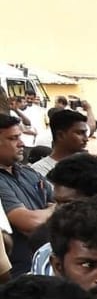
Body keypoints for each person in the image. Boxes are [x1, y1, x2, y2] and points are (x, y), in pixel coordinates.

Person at [1, 114, 54, 272]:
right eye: (13, 138)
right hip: (18, 271)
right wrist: (55, 209)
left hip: (47, 263)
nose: (21, 143)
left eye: (20, 137)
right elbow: (29, 223)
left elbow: (66, 203)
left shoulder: (29, 173)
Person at [30, 108, 90, 177]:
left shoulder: (87, 166)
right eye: (80, 133)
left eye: (85, 133)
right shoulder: (40, 170)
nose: (86, 139)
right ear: (60, 135)